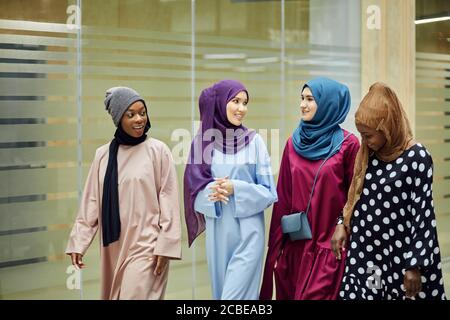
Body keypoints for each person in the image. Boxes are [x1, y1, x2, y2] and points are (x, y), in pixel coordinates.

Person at [332, 82, 446, 300]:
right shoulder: (369, 154)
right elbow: (355, 195)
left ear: (387, 128)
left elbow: (424, 215)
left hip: (401, 260)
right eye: (362, 135)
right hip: (368, 258)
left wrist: (415, 265)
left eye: (369, 135)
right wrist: (341, 223)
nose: (364, 141)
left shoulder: (417, 157)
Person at [65, 86, 182, 300]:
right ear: (118, 118)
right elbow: (91, 201)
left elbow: (169, 200)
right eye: (131, 114)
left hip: (147, 246)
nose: (139, 119)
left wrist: (166, 245)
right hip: (114, 246)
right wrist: (78, 242)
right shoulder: (103, 155)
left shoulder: (158, 151)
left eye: (142, 112)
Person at [260, 77, 359, 300]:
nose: (302, 104)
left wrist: (343, 225)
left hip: (328, 247)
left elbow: (355, 196)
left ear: (328, 104)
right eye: (302, 98)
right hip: (295, 248)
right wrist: (276, 249)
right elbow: (283, 198)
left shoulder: (349, 145)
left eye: (310, 99)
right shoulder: (293, 143)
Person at [184, 79, 277, 300]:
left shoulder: (255, 142)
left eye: (245, 102)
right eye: (235, 101)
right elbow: (192, 190)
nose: (242, 109)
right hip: (218, 232)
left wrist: (236, 187)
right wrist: (212, 191)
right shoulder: (202, 143)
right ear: (220, 102)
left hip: (249, 233)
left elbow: (268, 192)